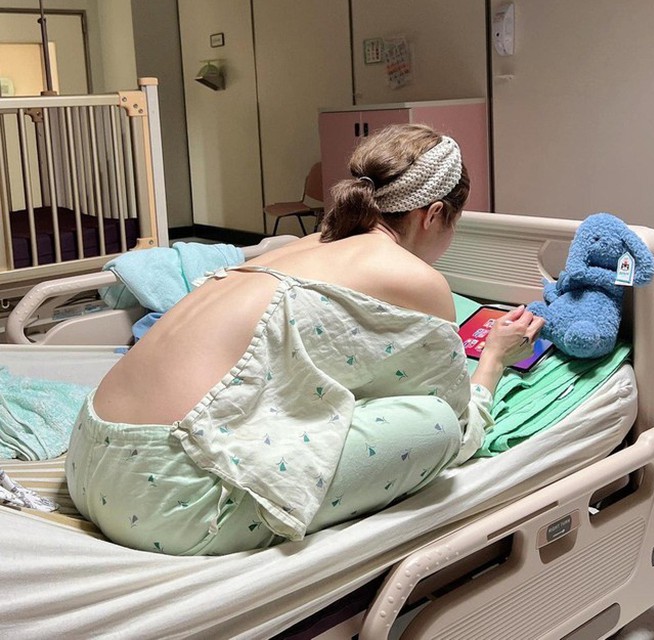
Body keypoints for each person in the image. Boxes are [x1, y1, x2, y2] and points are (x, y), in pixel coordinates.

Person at [66, 124, 544, 556]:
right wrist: (494, 358)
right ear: (435, 214)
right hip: (168, 502)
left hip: (88, 457)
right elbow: (461, 426)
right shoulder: (414, 278)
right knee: (435, 426)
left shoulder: (304, 245)